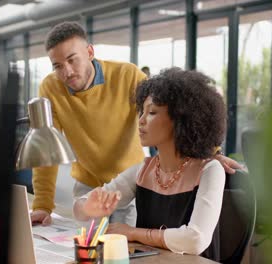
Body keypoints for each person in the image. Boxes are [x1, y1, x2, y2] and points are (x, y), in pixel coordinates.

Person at [31, 21, 241, 226]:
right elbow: (46, 148)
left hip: (128, 182)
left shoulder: (127, 76)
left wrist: (210, 152)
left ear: (90, 52)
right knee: (87, 253)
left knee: (125, 254)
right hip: (88, 185)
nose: (66, 72)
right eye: (57, 66)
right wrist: (42, 205)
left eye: (72, 60)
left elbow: (178, 110)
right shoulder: (50, 88)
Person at [73, 68, 227, 259]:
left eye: (152, 112)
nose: (141, 121)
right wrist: (87, 208)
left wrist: (132, 233)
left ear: (181, 119)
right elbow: (79, 206)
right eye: (141, 112)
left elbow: (195, 240)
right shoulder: (143, 170)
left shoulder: (210, 170)